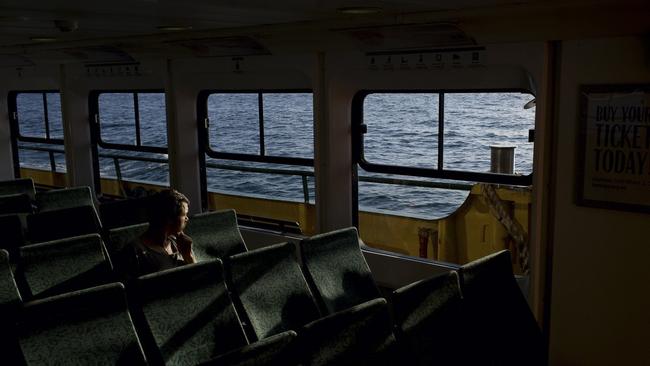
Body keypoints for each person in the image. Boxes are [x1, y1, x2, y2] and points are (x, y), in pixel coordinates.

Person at [116, 189, 195, 280]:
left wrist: (189, 257)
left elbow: (198, 279)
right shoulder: (135, 252)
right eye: (184, 215)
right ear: (170, 218)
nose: (187, 218)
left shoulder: (181, 243)